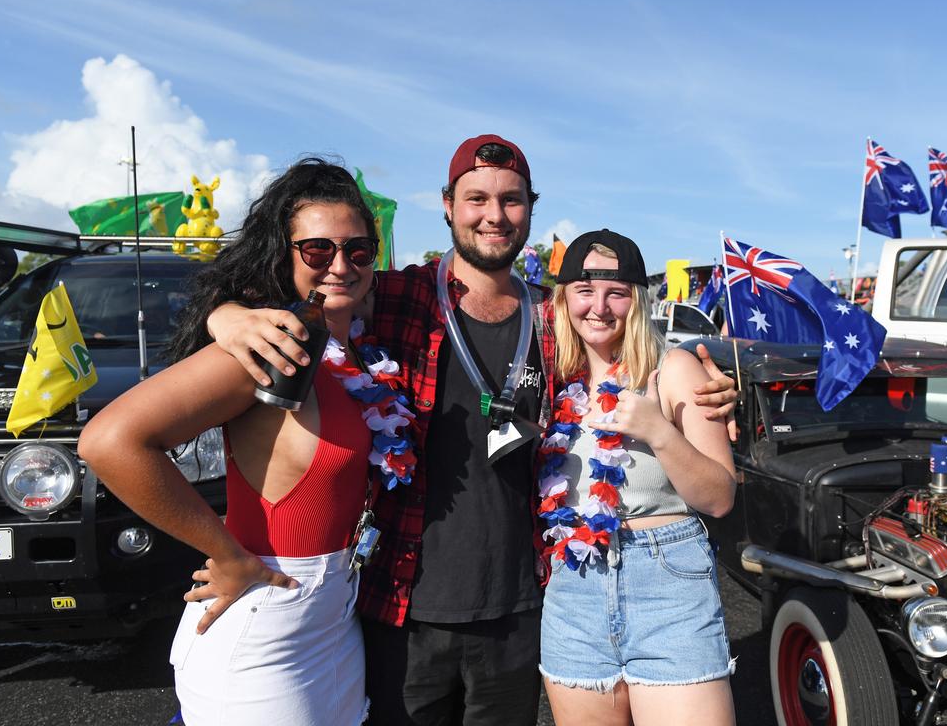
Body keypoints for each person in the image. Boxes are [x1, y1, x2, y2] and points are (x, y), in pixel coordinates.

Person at [205, 135, 738, 726]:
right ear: (448, 204)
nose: (494, 215)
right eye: (476, 198)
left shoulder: (555, 320)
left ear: (530, 208)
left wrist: (702, 386)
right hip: (404, 606)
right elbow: (294, 290)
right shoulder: (397, 296)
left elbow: (632, 360)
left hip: (523, 607)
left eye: (510, 200)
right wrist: (224, 314)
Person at [78, 158, 413, 725]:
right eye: (316, 251)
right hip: (265, 625)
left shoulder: (357, 347)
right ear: (284, 255)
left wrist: (221, 309)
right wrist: (226, 553)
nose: (340, 266)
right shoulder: (270, 347)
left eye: (358, 251)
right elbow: (110, 441)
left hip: (335, 623)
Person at [538, 229, 736, 725]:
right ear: (565, 301)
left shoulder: (673, 370)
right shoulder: (554, 380)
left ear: (638, 300)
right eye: (585, 291)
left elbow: (719, 498)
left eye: (616, 292)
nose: (600, 307)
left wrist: (659, 433)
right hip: (574, 590)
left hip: (668, 586)